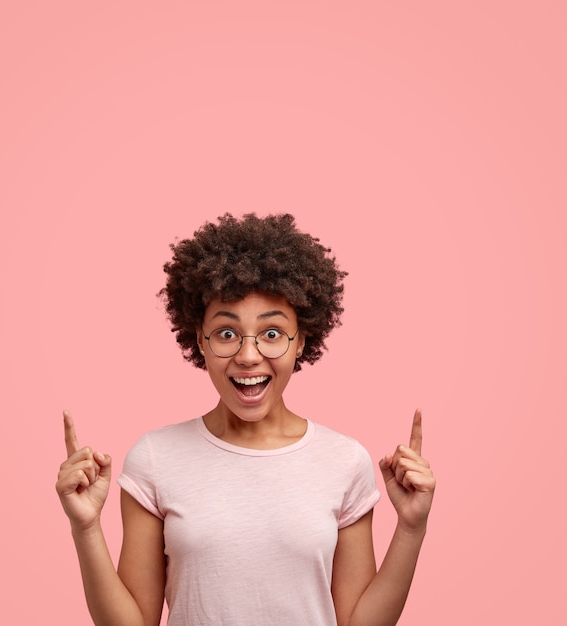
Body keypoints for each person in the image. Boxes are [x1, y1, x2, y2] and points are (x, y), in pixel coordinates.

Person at [56, 213, 436, 626]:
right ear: (200, 339)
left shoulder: (344, 460)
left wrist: (411, 529)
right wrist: (87, 528)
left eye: (272, 333)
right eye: (226, 333)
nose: (249, 355)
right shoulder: (154, 458)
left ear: (301, 340)